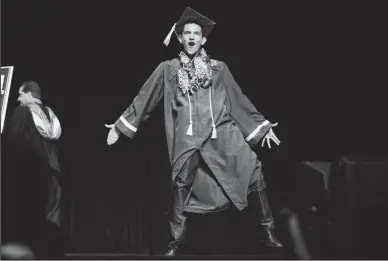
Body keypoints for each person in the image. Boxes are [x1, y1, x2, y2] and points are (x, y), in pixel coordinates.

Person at [106, 7, 283, 256]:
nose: (191, 37)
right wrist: (120, 125)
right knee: (181, 183)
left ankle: (267, 229)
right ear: (180, 38)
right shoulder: (168, 69)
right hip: (188, 138)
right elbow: (146, 96)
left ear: (203, 39)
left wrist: (260, 127)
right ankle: (176, 241)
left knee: (253, 169)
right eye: (187, 33)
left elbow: (237, 98)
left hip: (220, 133)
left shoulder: (218, 68)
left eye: (196, 33)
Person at [1, 81, 63, 257]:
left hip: (29, 172)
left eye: (20, 94)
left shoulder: (22, 113)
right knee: (52, 212)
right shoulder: (51, 115)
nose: (18, 99)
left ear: (29, 94)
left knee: (23, 209)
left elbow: (10, 141)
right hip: (52, 171)